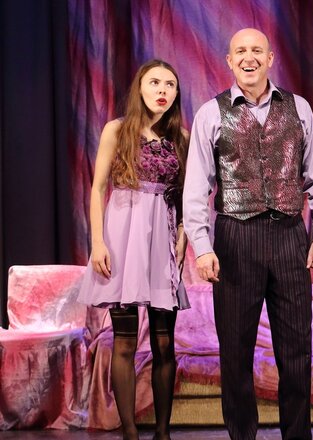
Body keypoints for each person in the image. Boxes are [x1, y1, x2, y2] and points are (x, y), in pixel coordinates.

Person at [183, 28, 313, 440]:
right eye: (240, 51)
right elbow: (195, 189)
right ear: (229, 61)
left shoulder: (298, 107)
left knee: (296, 351)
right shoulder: (210, 113)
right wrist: (202, 247)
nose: (248, 58)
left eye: (256, 51)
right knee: (235, 352)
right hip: (235, 239)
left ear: (270, 58)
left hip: (289, 236)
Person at [78, 59, 190, 440]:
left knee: (164, 342)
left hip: (162, 239)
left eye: (170, 85)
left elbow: (187, 195)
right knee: (124, 341)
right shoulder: (117, 130)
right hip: (123, 236)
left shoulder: (181, 137)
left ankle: (162, 432)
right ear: (140, 88)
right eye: (155, 82)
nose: (162, 90)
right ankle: (129, 432)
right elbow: (97, 189)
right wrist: (97, 242)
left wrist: (183, 235)